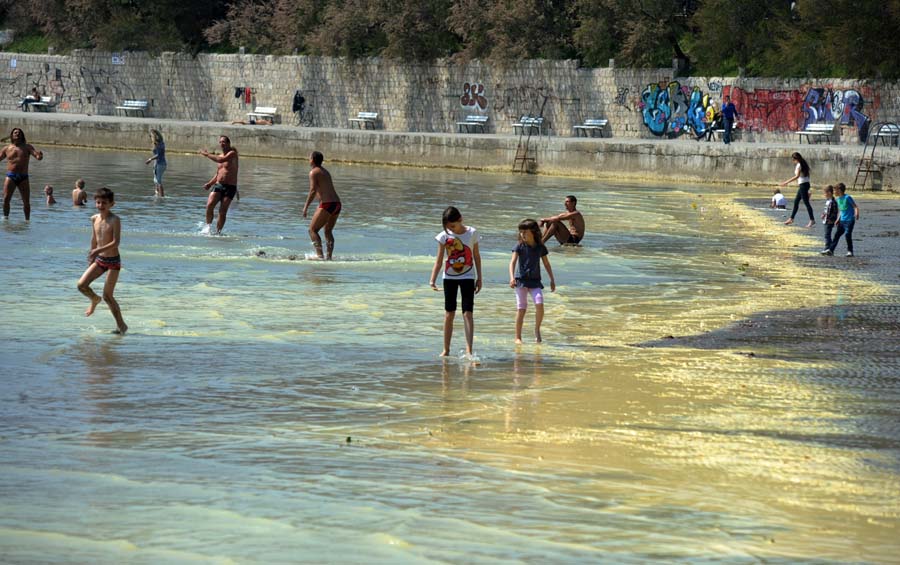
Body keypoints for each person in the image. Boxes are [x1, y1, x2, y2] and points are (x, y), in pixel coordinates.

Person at [429, 206, 482, 357]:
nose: (450, 229)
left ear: (460, 219)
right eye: (447, 226)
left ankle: (469, 350)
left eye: (452, 226)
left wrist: (479, 278)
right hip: (449, 278)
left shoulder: (472, 233)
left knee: (468, 313)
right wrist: (432, 279)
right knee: (449, 314)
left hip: (468, 277)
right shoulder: (443, 237)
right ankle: (446, 349)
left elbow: (477, 256)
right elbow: (439, 260)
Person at [77, 187, 127, 334]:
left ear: (112, 204)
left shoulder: (115, 220)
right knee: (81, 285)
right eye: (98, 202)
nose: (100, 205)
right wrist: (92, 256)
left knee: (108, 296)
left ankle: (121, 325)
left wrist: (97, 250)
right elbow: (94, 238)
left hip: (113, 262)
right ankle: (94, 300)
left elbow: (116, 242)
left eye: (104, 203)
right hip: (99, 260)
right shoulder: (94, 219)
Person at [509, 219, 555, 344]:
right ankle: (518, 337)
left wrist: (552, 279)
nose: (522, 234)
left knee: (539, 303)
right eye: (521, 232)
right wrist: (512, 277)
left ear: (533, 232)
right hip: (521, 281)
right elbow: (512, 262)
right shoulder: (519, 246)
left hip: (535, 281)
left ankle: (537, 330)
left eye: (525, 232)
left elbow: (546, 263)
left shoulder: (540, 247)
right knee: (521, 308)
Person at [302, 151, 342, 260]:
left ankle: (320, 257)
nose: (308, 160)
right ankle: (329, 257)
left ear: (313, 160)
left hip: (327, 204)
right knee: (328, 231)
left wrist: (305, 207)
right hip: (337, 204)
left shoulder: (313, 172)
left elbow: (313, 191)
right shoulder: (325, 171)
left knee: (312, 230)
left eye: (309, 158)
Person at [1, 127, 43, 221]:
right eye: (15, 133)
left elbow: (37, 156)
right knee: (6, 199)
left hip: (23, 177)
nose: (17, 134)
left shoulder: (27, 147)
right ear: (12, 135)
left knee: (26, 202)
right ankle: (5, 219)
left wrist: (40, 156)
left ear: (22, 135)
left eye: (19, 133)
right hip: (11, 176)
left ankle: (27, 220)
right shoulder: (7, 148)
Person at [200, 136, 239, 234]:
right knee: (209, 206)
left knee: (222, 211)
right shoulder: (220, 155)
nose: (222, 144)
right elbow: (218, 173)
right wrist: (210, 183)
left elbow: (220, 160)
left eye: (224, 142)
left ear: (228, 143)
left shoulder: (232, 154)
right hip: (219, 185)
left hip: (230, 187)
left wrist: (207, 154)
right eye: (220, 142)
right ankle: (208, 228)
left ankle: (218, 232)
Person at [822, 183, 859, 257]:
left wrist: (857, 213)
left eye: (835, 190)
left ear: (839, 190)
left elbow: (855, 206)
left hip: (849, 220)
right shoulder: (838, 199)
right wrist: (838, 219)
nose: (834, 192)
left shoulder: (847, 197)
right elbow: (841, 211)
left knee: (847, 235)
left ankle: (850, 251)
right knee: (837, 235)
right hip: (842, 221)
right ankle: (831, 250)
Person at [780, 152, 815, 228]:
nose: (793, 161)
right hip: (804, 185)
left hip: (803, 186)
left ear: (796, 159)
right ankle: (791, 218)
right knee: (796, 201)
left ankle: (812, 220)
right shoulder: (803, 163)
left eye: (793, 159)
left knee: (806, 203)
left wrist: (786, 182)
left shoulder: (799, 165)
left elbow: (797, 176)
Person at [145, 129, 167, 198]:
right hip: (160, 163)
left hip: (160, 164)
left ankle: (161, 197)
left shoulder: (158, 144)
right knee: (155, 180)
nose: (150, 138)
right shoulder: (161, 143)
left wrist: (150, 159)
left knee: (158, 180)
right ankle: (157, 194)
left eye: (150, 136)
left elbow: (158, 155)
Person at [820, 185, 838, 252]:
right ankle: (829, 248)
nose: (824, 195)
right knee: (827, 235)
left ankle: (827, 248)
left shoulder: (833, 202)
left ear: (829, 193)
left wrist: (832, 220)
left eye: (825, 193)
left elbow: (834, 212)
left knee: (827, 235)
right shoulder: (827, 201)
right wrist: (823, 214)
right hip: (825, 220)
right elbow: (826, 210)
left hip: (829, 221)